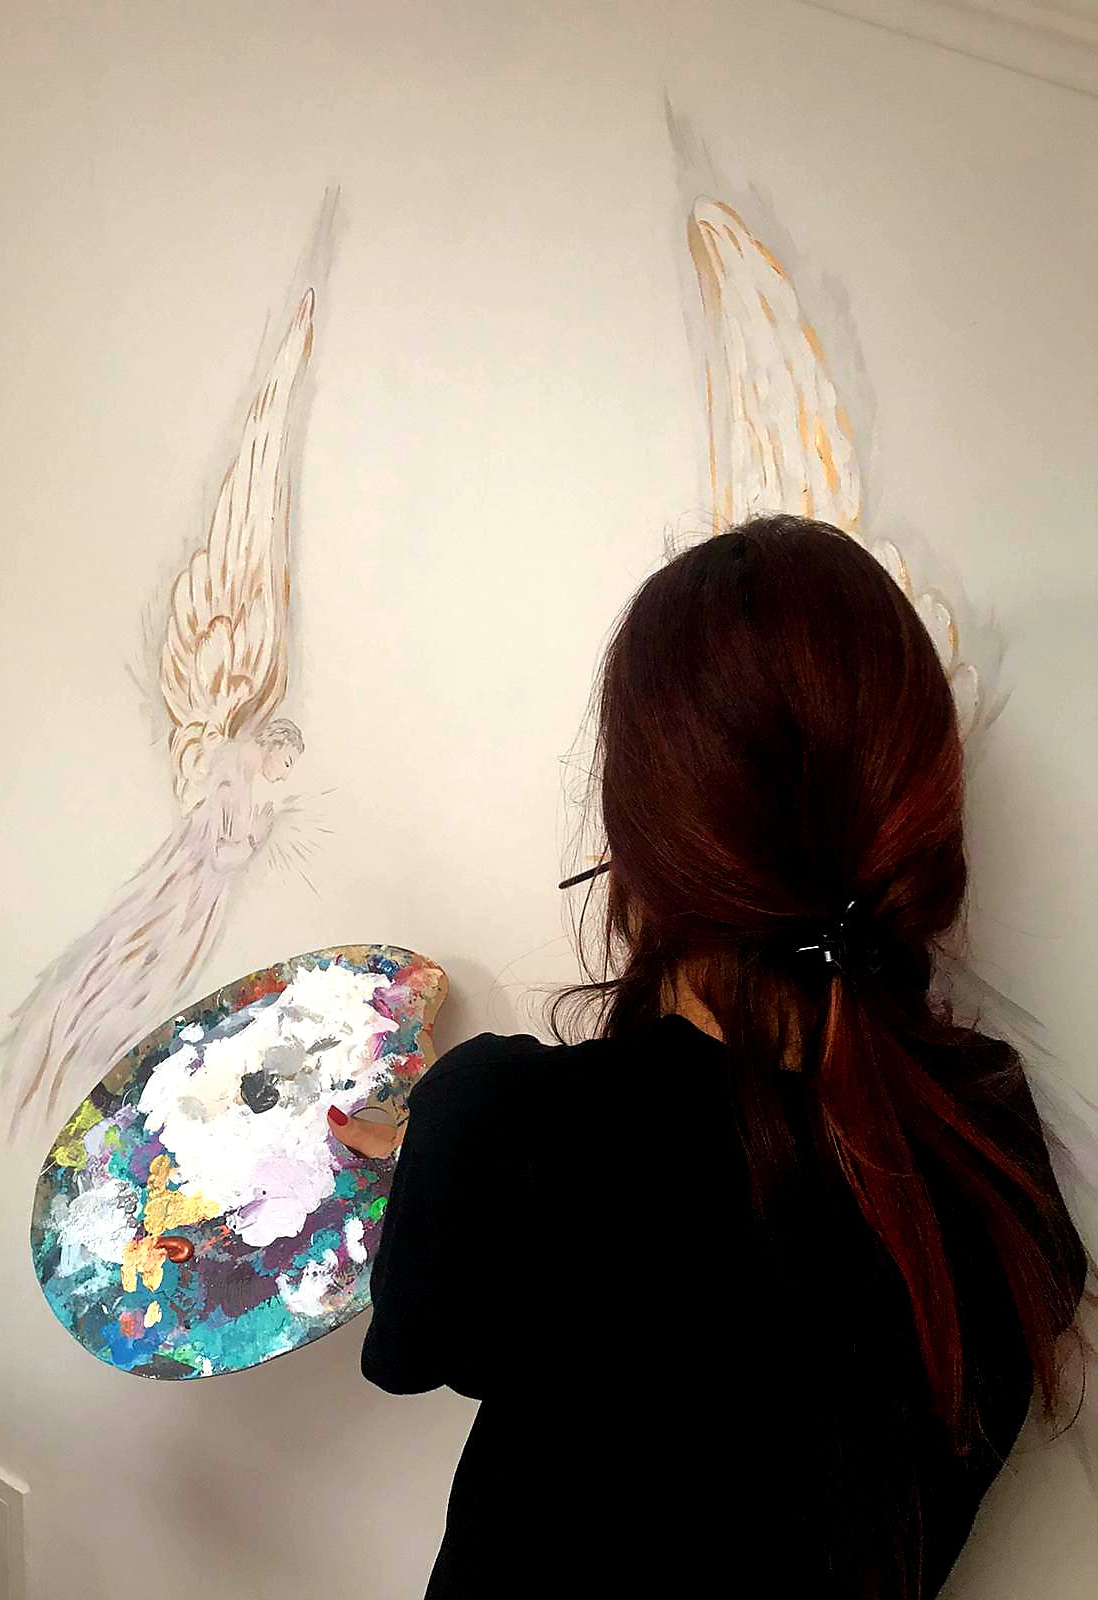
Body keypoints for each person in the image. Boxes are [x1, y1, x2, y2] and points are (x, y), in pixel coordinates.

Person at [328, 515, 1090, 1599]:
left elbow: (414, 1350)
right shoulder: (998, 1141)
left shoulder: (512, 1128)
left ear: (641, 842)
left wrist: (448, 1142)